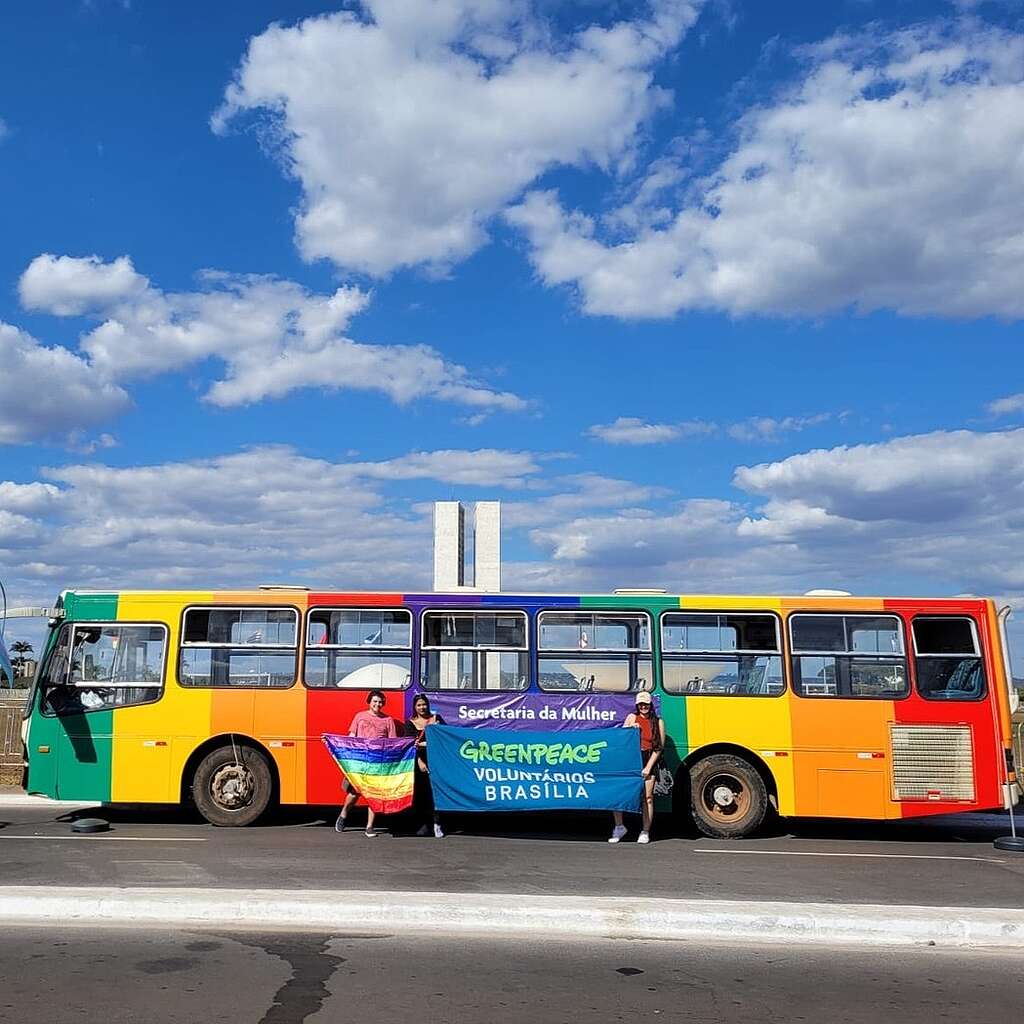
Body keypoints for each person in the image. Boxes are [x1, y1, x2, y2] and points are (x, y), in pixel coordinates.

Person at [335, 689, 397, 837]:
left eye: (380, 702)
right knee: (354, 793)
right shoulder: (359, 716)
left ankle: (369, 827)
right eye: (375, 701)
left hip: (377, 763)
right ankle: (343, 814)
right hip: (360, 761)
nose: (378, 704)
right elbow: (351, 736)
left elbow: (392, 742)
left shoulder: (388, 720)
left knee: (373, 795)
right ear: (369, 702)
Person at [609, 690, 665, 845]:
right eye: (640, 704)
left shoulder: (658, 722)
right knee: (619, 796)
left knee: (647, 798)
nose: (643, 707)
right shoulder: (631, 717)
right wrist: (629, 729)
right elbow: (621, 740)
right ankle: (619, 827)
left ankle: (645, 831)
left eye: (646, 704)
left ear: (650, 704)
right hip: (631, 759)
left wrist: (648, 767)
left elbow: (659, 748)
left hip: (648, 759)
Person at [405, 693, 446, 838]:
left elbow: (445, 739)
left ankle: (437, 823)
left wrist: (424, 743)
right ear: (415, 707)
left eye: (424, 704)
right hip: (419, 762)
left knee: (436, 793)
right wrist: (419, 762)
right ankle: (423, 825)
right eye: (419, 705)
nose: (422, 707)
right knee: (421, 795)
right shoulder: (410, 723)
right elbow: (409, 746)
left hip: (436, 761)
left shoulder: (436, 719)